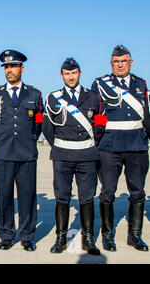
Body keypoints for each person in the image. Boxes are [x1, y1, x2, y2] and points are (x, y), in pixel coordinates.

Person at [43, 58, 105, 255]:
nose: (71, 77)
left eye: (74, 73)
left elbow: (101, 123)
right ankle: (60, 238)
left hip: (87, 154)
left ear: (79, 73)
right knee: (62, 196)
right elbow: (47, 127)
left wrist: (90, 144)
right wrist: (61, 145)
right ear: (62, 75)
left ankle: (88, 239)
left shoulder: (94, 97)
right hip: (62, 154)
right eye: (67, 74)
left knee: (87, 197)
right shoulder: (52, 98)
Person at [91, 45, 150, 252]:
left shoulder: (141, 85)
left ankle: (135, 236)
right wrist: (96, 144)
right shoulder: (100, 84)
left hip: (137, 145)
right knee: (107, 192)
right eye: (116, 62)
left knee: (138, 192)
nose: (120, 65)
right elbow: (96, 117)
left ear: (130, 63)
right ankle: (108, 236)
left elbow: (147, 115)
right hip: (109, 146)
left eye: (123, 61)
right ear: (111, 64)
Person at [0, 49, 43, 252]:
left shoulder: (34, 93)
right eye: (6, 67)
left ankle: (27, 236)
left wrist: (30, 139)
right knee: (4, 196)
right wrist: (3, 140)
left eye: (13, 66)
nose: (9, 70)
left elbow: (38, 122)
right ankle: (7, 235)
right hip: (3, 152)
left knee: (28, 196)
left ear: (22, 68)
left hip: (27, 152)